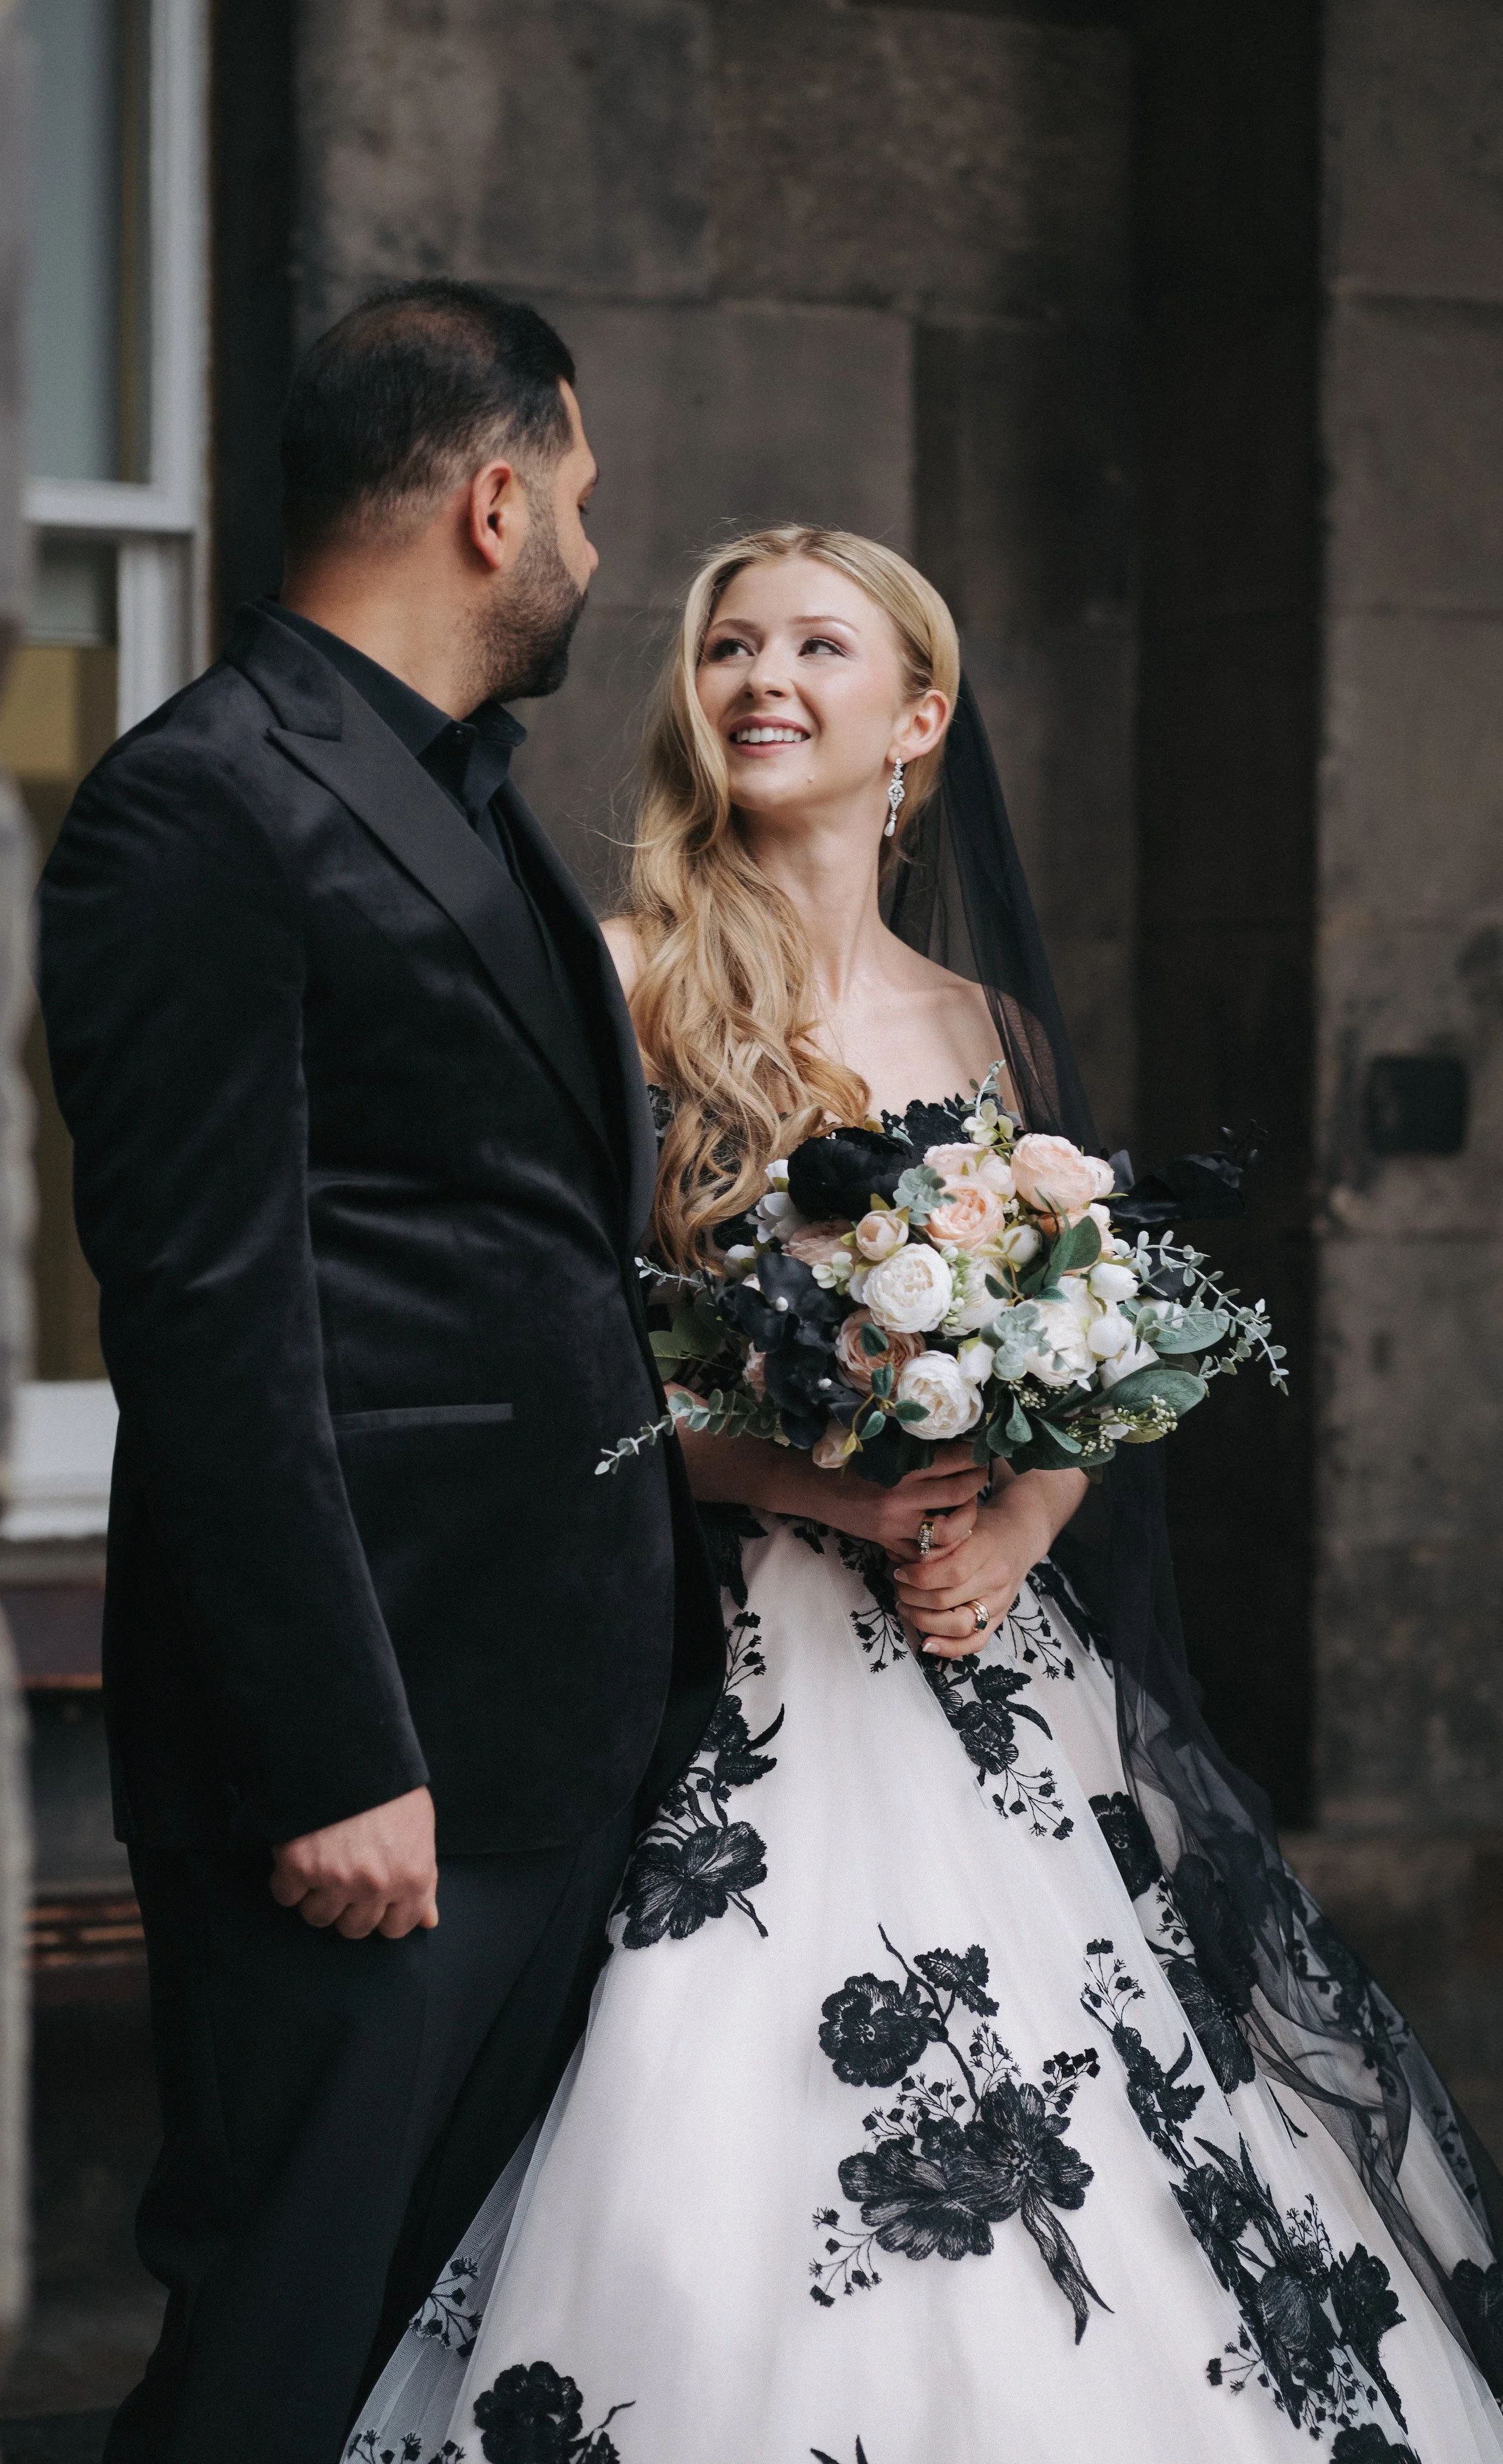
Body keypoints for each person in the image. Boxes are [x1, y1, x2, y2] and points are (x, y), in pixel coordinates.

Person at [352, 527, 1503, 2463]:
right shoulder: (618, 985)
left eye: (816, 643)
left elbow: (1087, 1355)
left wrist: (1013, 1524)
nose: (760, 677)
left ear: (920, 719)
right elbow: (554, 1378)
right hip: (710, 1656)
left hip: (986, 1666)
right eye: (726, 643)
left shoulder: (988, 1028)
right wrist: (822, 1487)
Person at [37, 280, 728, 2464]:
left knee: (427, 2357)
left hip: (554, 1721)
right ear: (493, 497)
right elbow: (211, 1322)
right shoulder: (199, 809)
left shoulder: (478, 798)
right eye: (586, 505)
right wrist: (338, 1755)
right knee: (278, 2346)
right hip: (368, 1762)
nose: (599, 555)